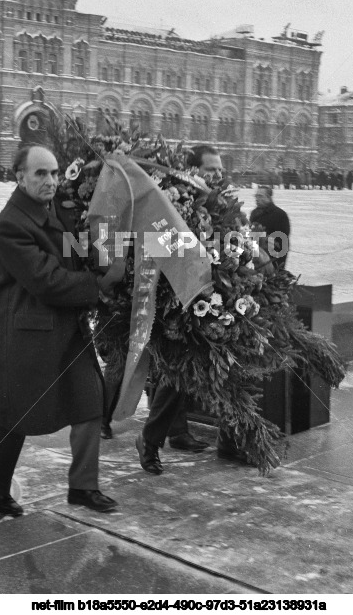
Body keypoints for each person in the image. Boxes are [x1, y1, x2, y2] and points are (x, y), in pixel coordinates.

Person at [0, 145, 124, 517]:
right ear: (19, 176)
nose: (50, 181)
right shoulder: (10, 223)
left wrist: (112, 252)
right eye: (40, 174)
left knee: (89, 401)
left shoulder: (56, 211)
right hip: (27, 333)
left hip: (66, 327)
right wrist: (97, 285)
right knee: (15, 412)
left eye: (55, 173)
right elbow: (45, 279)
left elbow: (72, 252)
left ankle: (83, 486)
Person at [135, 144, 237, 475]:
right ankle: (151, 441)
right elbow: (158, 244)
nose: (218, 176)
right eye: (211, 170)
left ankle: (168, 435)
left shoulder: (218, 204)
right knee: (177, 373)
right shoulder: (174, 202)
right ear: (191, 172)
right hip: (176, 300)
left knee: (184, 376)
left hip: (210, 296)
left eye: (220, 170)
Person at [249, 185, 291, 267]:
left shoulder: (279, 214)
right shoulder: (254, 213)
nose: (257, 199)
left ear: (269, 197)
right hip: (256, 255)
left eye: (260, 196)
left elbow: (282, 239)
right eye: (256, 196)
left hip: (274, 256)